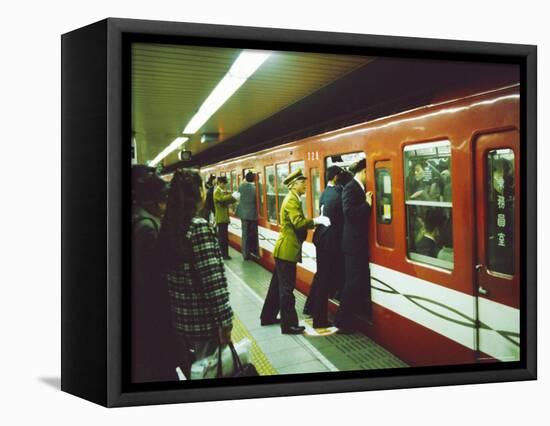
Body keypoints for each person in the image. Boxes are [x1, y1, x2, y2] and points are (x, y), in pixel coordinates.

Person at [157, 169, 234, 378]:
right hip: (204, 323)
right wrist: (225, 321)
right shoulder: (198, 227)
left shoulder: (170, 226)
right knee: (210, 373)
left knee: (196, 372)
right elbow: (213, 282)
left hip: (182, 322)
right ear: (198, 192)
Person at [260, 169, 331, 334]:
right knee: (287, 289)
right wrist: (316, 221)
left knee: (276, 287)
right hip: (287, 251)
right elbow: (298, 223)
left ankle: (267, 316)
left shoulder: (293, 199)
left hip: (284, 249)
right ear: (293, 185)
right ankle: (289, 325)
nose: (305, 185)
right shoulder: (292, 200)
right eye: (302, 182)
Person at [131, 165, 178, 383]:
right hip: (154, 322)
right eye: (164, 199)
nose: (167, 205)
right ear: (152, 200)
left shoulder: (140, 220)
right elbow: (153, 283)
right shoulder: (147, 229)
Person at [335, 158, 373, 333]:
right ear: (364, 171)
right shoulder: (351, 187)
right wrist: (367, 205)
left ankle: (351, 316)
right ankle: (342, 322)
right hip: (352, 245)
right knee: (352, 282)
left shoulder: (358, 187)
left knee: (356, 281)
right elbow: (349, 213)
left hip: (357, 244)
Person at [304, 165, 345, 328]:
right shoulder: (337, 195)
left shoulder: (325, 192)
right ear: (335, 177)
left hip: (321, 238)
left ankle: (311, 308)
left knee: (321, 276)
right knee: (324, 279)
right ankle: (319, 320)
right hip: (330, 242)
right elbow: (340, 221)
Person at [213, 176, 240, 260]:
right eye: (224, 184)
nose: (224, 186)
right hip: (221, 218)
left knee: (224, 237)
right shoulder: (217, 191)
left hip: (223, 218)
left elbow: (225, 200)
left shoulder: (220, 191)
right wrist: (232, 196)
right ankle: (224, 255)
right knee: (222, 238)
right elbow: (222, 199)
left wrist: (233, 198)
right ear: (220, 183)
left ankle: (225, 254)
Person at [236, 171, 259, 260]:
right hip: (253, 215)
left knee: (245, 235)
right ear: (254, 179)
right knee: (253, 235)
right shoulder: (255, 188)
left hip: (243, 214)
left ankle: (245, 255)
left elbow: (236, 197)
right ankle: (254, 252)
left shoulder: (241, 187)